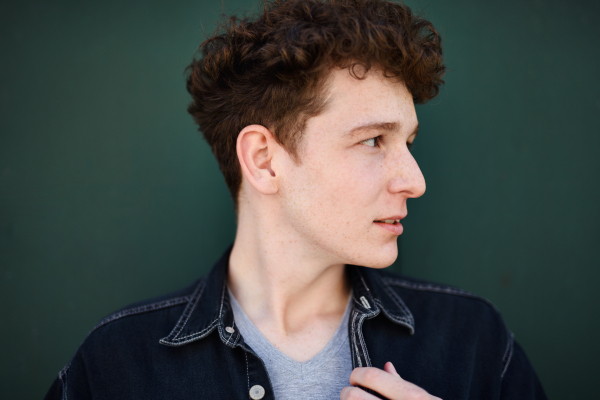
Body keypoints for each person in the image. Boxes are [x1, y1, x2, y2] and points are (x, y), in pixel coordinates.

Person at [45, 0, 547, 399]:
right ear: (264, 159)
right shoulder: (115, 368)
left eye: (408, 143)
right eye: (374, 140)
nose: (414, 181)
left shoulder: (474, 343)